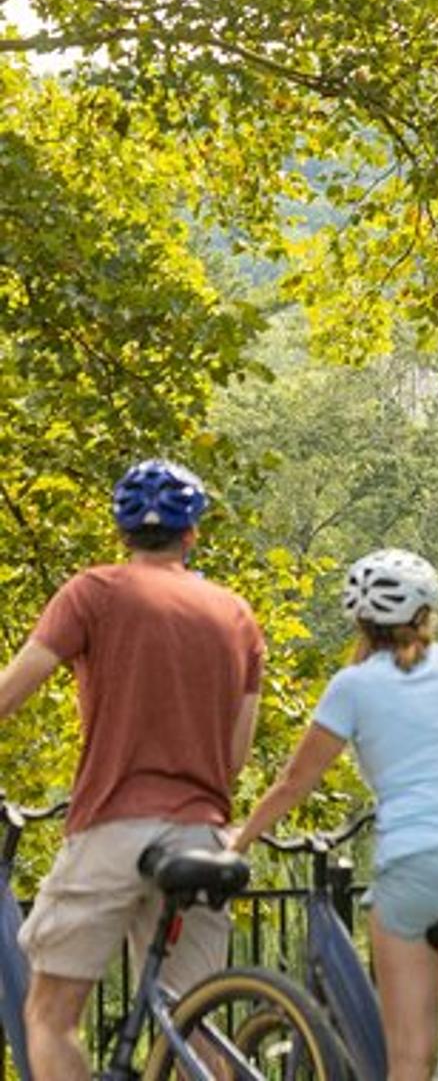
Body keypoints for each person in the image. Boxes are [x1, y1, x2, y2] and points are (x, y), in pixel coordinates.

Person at [0, 459, 264, 1081]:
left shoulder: (93, 592)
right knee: (199, 1029)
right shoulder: (235, 616)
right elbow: (236, 752)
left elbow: (11, 693)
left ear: (120, 534)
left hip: (112, 827)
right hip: (202, 833)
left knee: (50, 1012)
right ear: (192, 534)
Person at [232, 549, 438, 1081]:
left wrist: (239, 840)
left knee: (410, 1057)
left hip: (419, 868)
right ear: (428, 611)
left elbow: (294, 784)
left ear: (360, 621)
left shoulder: (352, 686)